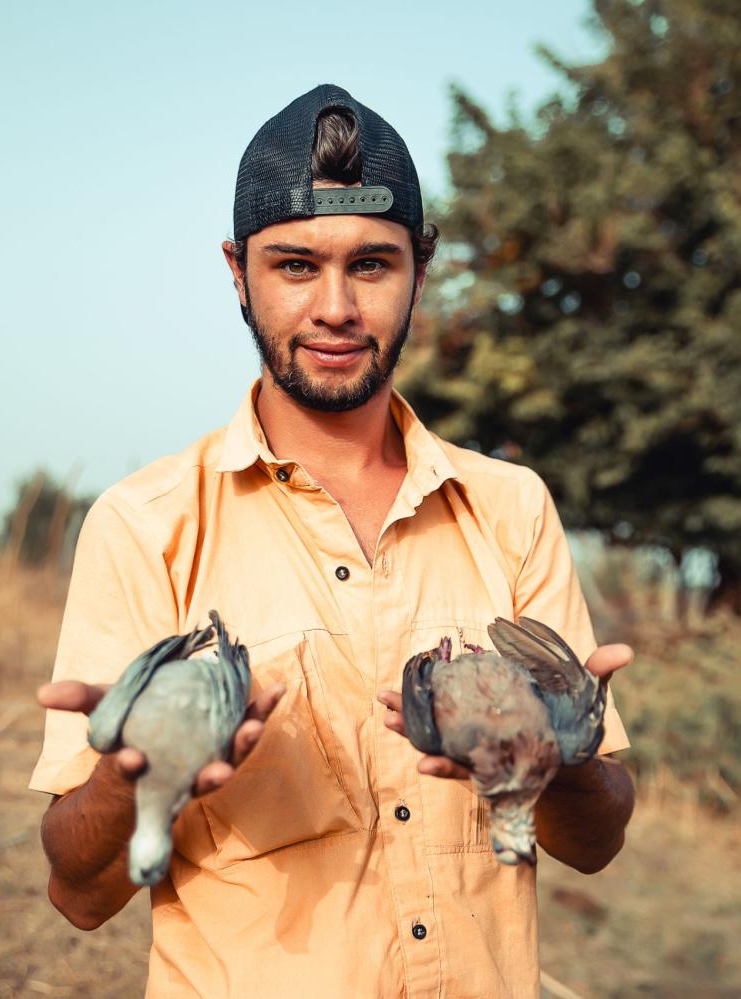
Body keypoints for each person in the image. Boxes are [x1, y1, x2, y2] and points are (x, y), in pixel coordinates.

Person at [32, 84, 634, 999]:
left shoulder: (510, 506)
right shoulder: (145, 522)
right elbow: (77, 895)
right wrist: (129, 775)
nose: (337, 307)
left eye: (373, 265)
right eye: (295, 265)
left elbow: (593, 844)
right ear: (237, 272)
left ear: (419, 271)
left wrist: (565, 753)